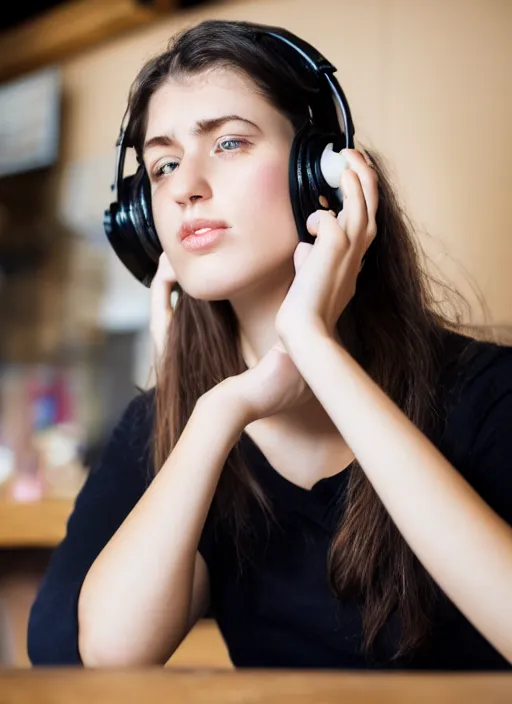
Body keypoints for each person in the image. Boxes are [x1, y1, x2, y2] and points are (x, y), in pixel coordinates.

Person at [28, 19, 512, 670]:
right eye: (163, 164)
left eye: (228, 142)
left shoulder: (486, 391)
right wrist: (220, 413)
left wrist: (313, 346)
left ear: (322, 168)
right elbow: (94, 655)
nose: (184, 186)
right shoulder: (172, 427)